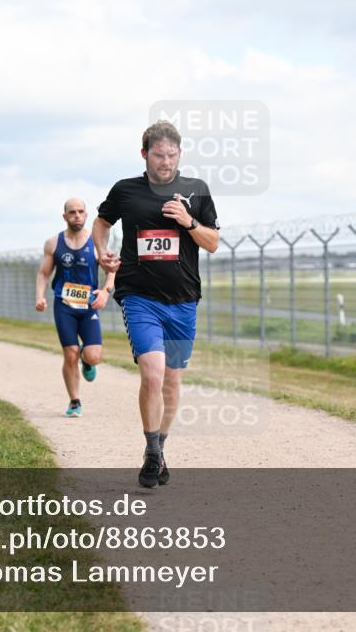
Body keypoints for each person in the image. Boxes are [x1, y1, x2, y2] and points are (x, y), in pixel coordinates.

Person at [93, 120, 220, 488]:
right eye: (158, 155)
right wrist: (103, 254)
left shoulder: (196, 191)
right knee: (152, 373)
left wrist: (189, 220)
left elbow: (211, 242)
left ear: (180, 154)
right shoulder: (126, 190)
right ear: (144, 153)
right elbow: (101, 224)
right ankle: (151, 452)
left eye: (172, 155)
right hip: (139, 298)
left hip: (182, 301)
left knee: (171, 381)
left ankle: (160, 446)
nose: (165, 162)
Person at [36, 198, 114, 417]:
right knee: (69, 354)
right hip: (64, 305)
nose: (77, 216)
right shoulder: (53, 243)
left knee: (93, 356)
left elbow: (112, 270)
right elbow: (43, 273)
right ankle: (74, 401)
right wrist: (40, 296)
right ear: (65, 216)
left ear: (86, 215)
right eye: (72, 212)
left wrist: (106, 291)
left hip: (89, 306)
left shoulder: (96, 242)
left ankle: (86, 360)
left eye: (80, 212)